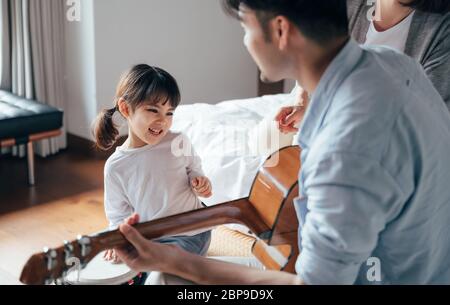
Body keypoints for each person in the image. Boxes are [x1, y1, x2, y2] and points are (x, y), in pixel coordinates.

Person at [114, 1, 450, 284]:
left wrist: (174, 261)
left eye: (246, 28)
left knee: (169, 279)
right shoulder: (393, 63)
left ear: (280, 30)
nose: (246, 42)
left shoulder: (341, 149)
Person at [92, 64, 212, 263]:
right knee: (110, 253)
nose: (163, 121)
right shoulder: (116, 166)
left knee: (161, 269)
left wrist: (200, 181)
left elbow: (194, 169)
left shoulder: (178, 141)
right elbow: (118, 214)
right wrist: (117, 239)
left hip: (191, 232)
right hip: (151, 237)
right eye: (153, 110)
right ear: (125, 108)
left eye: (169, 113)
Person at [276, 0, 450, 134]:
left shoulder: (441, 31)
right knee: (264, 146)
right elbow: (313, 51)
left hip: (385, 141)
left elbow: (426, 121)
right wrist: (303, 100)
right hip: (327, 112)